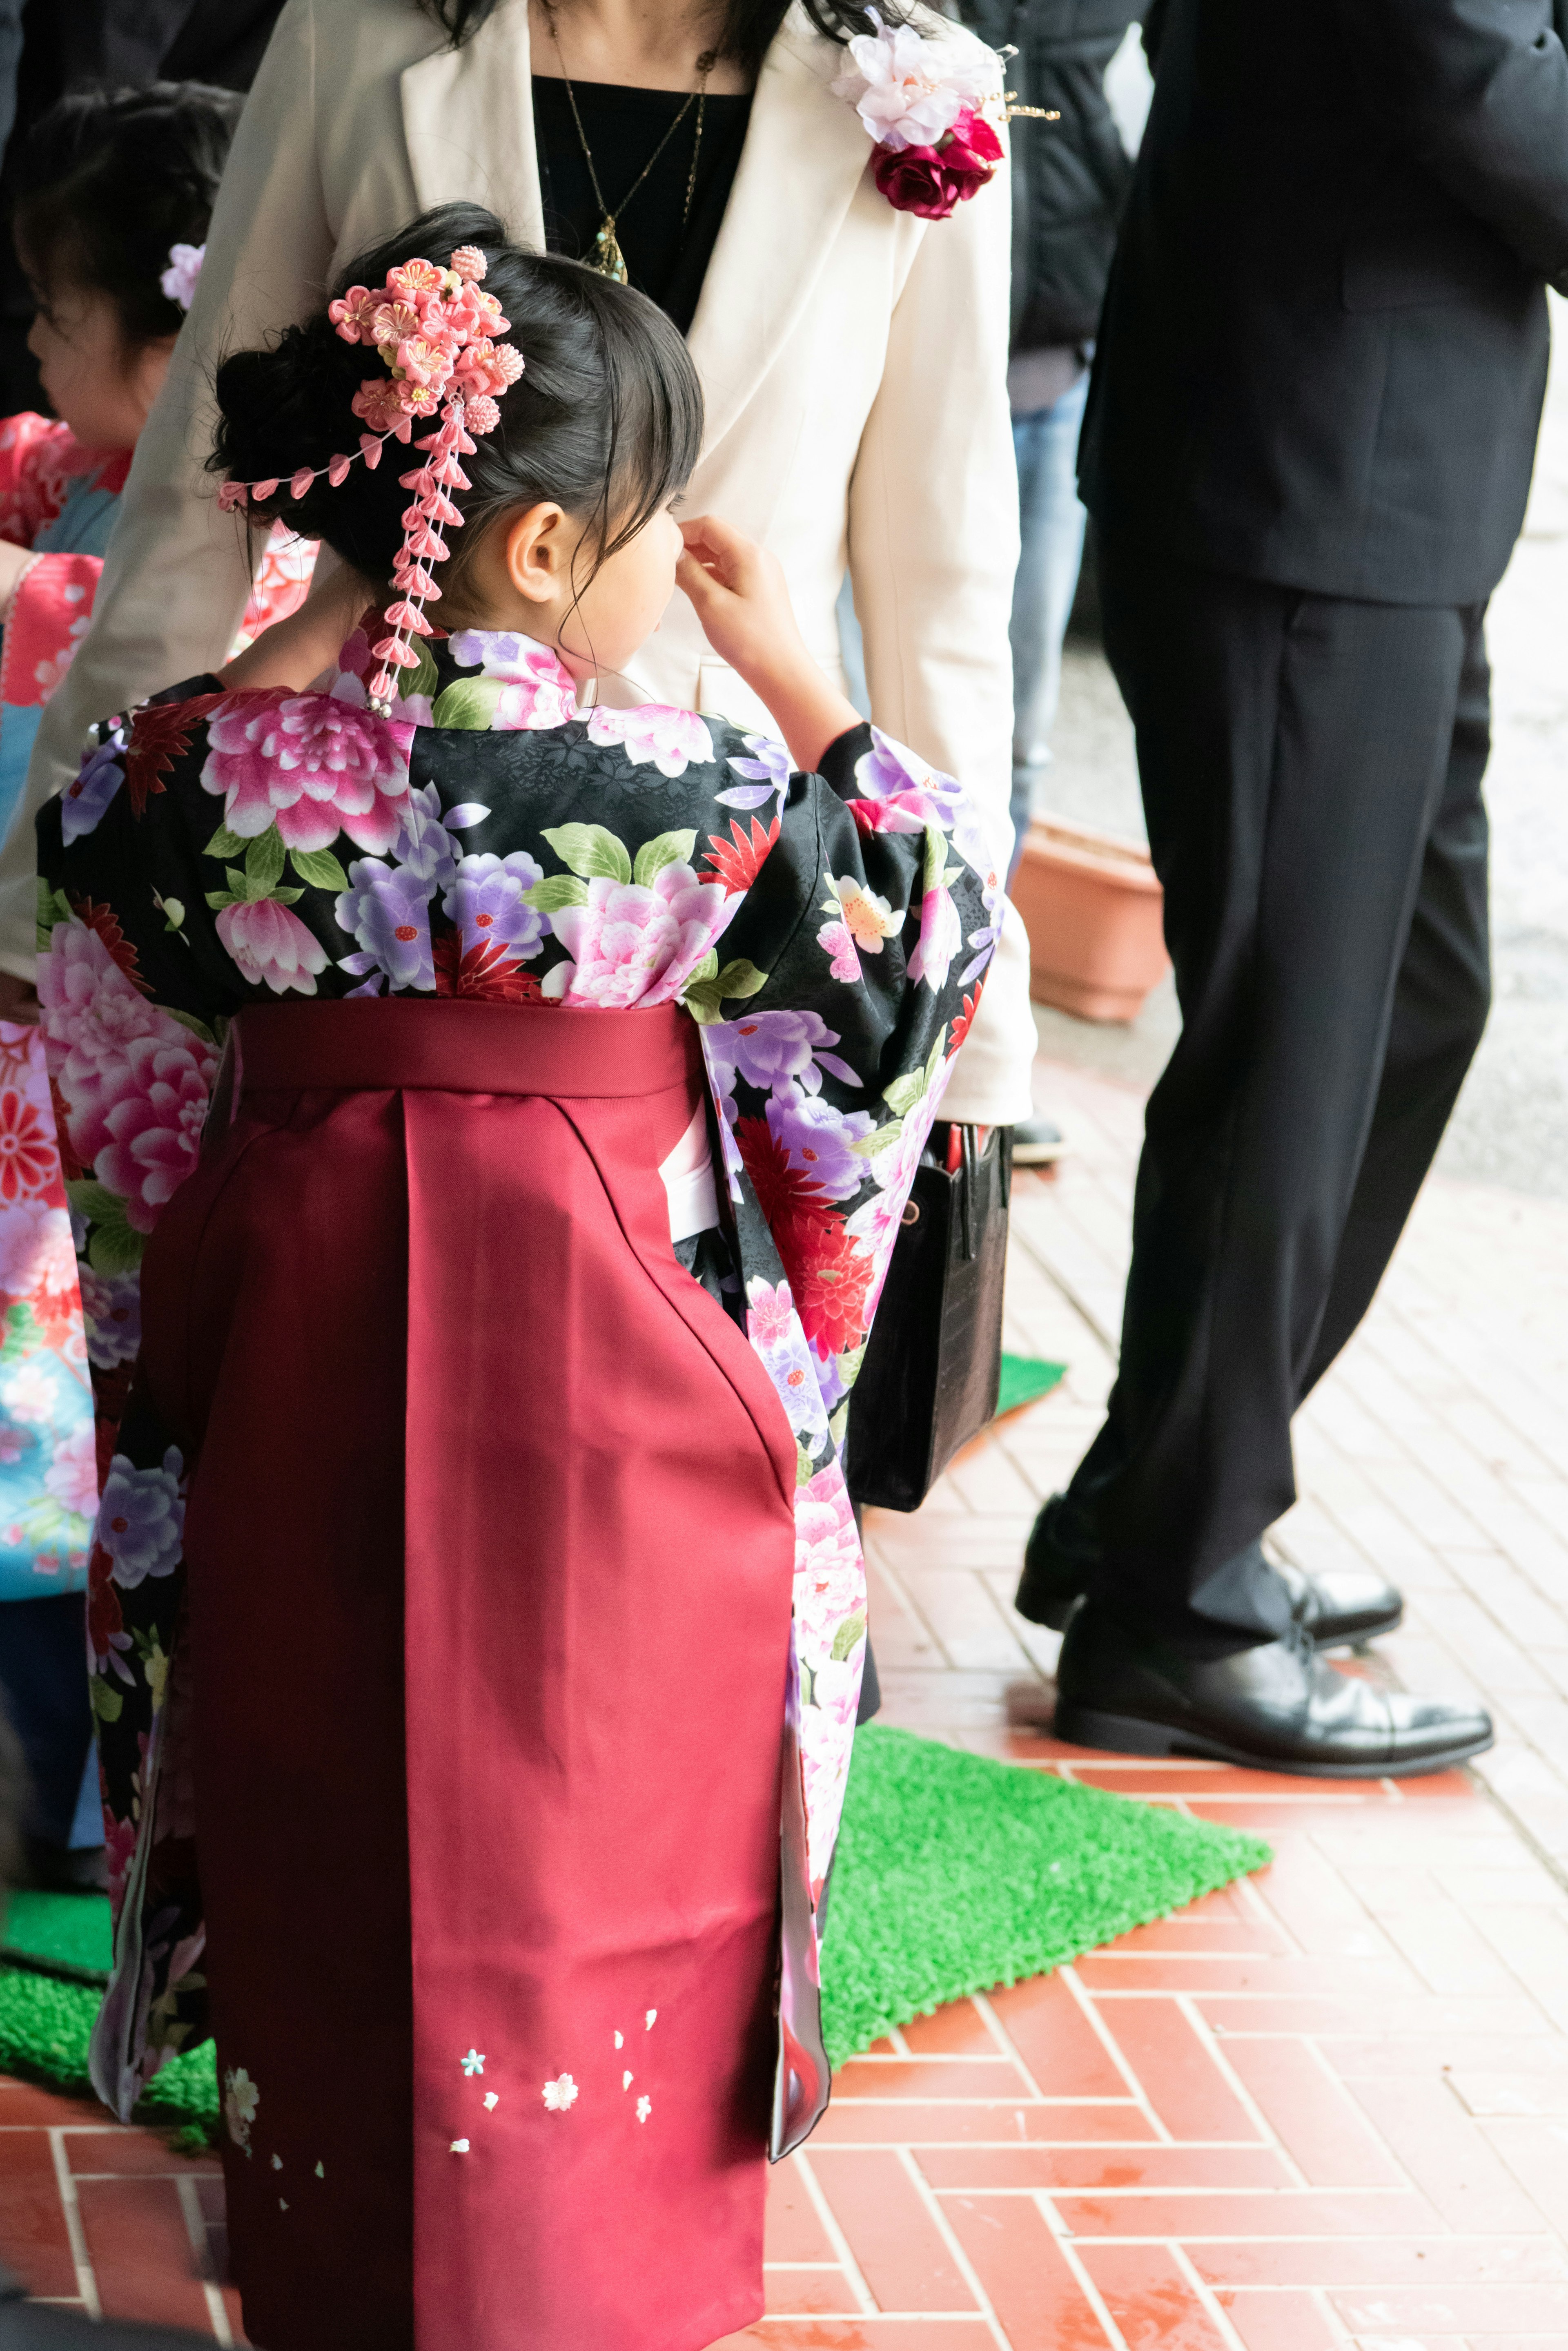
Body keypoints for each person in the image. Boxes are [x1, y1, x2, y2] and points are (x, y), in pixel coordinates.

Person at [39, 204, 1003, 2350]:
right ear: (556, 549)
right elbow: (908, 945)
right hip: (620, 1352)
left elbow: (93, 835)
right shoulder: (701, 790)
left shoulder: (221, 789)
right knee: (608, 1811)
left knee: (320, 1761)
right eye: (657, 524)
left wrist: (318, 617)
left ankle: (328, 2241)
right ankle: (600, 2260)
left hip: (298, 1330)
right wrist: (801, 672)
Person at [0, 0, 1038, 1141]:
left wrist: (973, 1039)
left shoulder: (913, 81)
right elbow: (196, 495)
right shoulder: (352, 30)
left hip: (725, 902)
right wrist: (33, 919)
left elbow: (941, 577)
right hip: (360, 869)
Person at [1016, 0, 1568, 1775]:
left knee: (1408, 996)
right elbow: (1468, 73)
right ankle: (1176, 1608)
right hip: (1310, 466)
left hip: (1362, 463)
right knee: (1298, 1051)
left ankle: (1157, 1500)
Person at [0, 83, 312, 1897]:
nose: (36, 349)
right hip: (57, 1023)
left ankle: (107, 1804)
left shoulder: (233, 555)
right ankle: (80, 1790)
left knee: (82, 1416)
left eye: (56, 309)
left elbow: (63, 610)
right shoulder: (107, 468)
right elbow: (31, 456)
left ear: (176, 329)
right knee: (54, 1417)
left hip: (108, 1044)